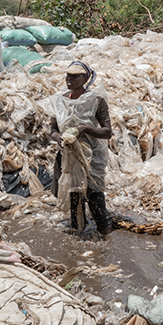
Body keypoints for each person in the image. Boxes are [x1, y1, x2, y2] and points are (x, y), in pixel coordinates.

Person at [50, 61, 113, 235]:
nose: (69, 79)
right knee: (74, 199)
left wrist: (84, 129)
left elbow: (107, 132)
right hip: (69, 156)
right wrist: (62, 139)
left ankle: (106, 238)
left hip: (92, 157)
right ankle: (79, 236)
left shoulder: (96, 100)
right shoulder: (60, 102)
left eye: (75, 76)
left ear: (85, 78)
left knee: (95, 199)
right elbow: (53, 131)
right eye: (68, 76)